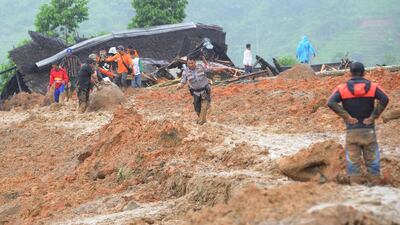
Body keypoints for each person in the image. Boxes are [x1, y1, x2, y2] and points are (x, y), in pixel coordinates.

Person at [327, 62, 389, 185]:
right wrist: (373, 117)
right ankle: (375, 184)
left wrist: (347, 117)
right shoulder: (373, 87)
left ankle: (356, 185)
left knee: (352, 160)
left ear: (350, 73)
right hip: (368, 130)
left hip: (352, 131)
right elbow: (385, 99)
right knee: (372, 160)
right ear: (364, 72)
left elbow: (330, 102)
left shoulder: (342, 89)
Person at [177, 56, 231, 125]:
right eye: (189, 63)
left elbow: (213, 69)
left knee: (204, 107)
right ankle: (202, 120)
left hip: (204, 90)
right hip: (195, 93)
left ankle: (200, 124)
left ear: (195, 62)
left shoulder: (201, 67)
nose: (190, 65)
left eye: (192, 63)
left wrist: (225, 68)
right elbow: (183, 82)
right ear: (187, 63)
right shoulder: (185, 72)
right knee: (197, 110)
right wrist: (179, 86)